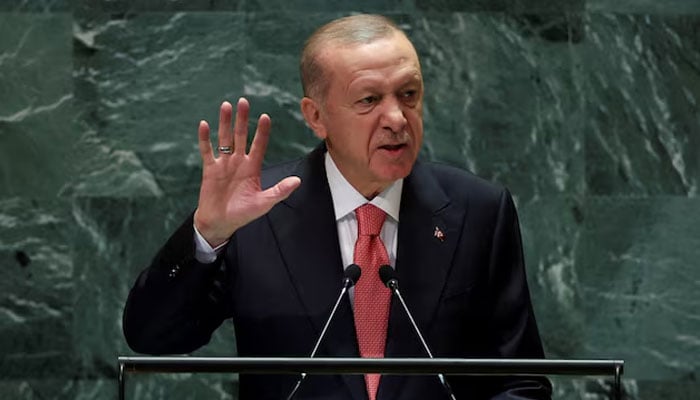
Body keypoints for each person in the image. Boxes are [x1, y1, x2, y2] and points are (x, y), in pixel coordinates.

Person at [123, 14, 552, 400]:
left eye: (408, 94)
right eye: (369, 100)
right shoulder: (257, 213)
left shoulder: (478, 211)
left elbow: (522, 381)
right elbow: (152, 338)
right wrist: (209, 234)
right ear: (316, 116)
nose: (398, 118)